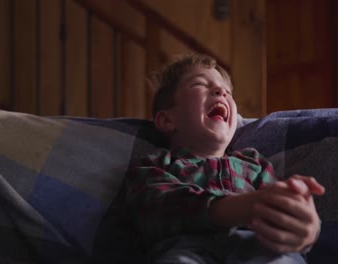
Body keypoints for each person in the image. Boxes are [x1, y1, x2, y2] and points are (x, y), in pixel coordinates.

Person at [126, 53, 325, 264]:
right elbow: (153, 210)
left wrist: (305, 230)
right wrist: (236, 208)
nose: (221, 91)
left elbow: (282, 216)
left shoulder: (254, 163)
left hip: (259, 249)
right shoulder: (155, 165)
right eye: (199, 84)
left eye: (228, 92)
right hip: (188, 250)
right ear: (167, 120)